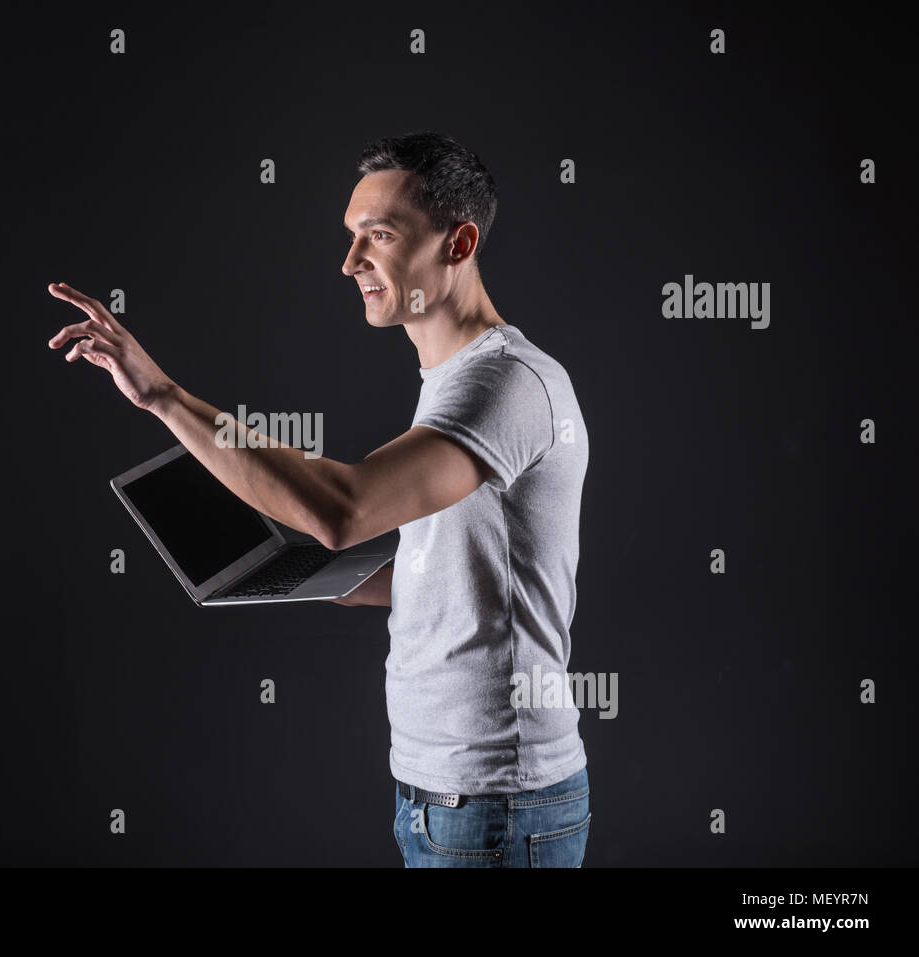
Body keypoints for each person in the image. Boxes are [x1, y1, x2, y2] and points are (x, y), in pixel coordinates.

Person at [48, 130, 591, 868]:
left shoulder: (505, 384)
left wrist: (164, 397)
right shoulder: (454, 382)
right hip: (443, 792)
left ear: (458, 244)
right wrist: (314, 573)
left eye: (380, 235)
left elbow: (343, 508)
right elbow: (472, 576)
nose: (350, 262)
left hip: (495, 799)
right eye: (350, 236)